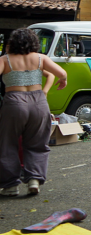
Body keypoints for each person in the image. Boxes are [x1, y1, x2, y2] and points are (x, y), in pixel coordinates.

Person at [0, 28, 67, 196]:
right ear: (34, 42)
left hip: (14, 102)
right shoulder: (40, 58)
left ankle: (10, 185)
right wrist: (62, 80)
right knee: (37, 143)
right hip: (39, 102)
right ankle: (34, 180)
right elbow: (61, 73)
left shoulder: (5, 59)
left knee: (8, 144)